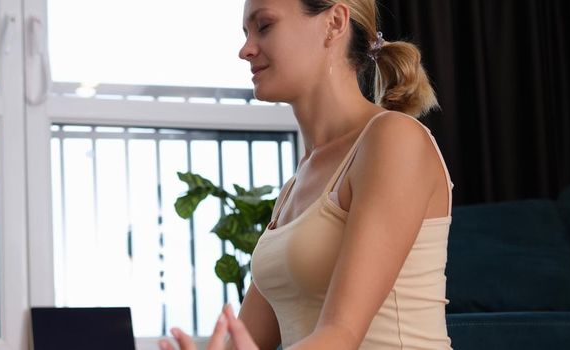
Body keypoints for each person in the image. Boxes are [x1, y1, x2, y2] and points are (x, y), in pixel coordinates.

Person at [161, 0, 452, 349]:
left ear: (334, 22)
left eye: (264, 26)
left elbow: (341, 334)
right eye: (245, 33)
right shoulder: (294, 186)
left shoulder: (393, 139)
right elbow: (246, 340)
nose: (246, 49)